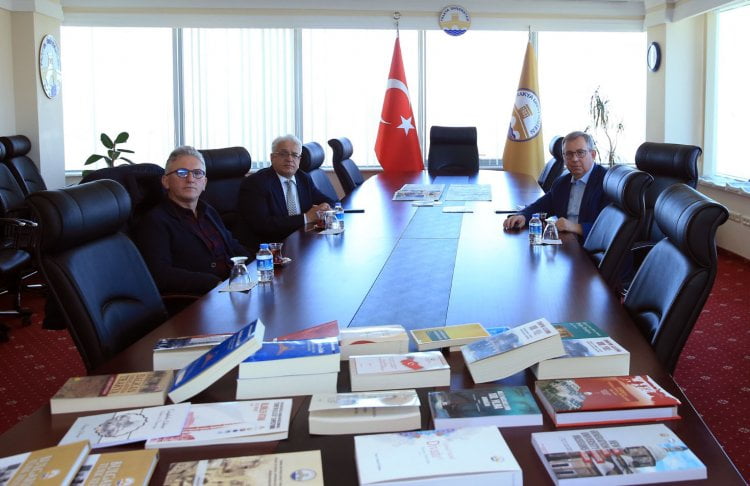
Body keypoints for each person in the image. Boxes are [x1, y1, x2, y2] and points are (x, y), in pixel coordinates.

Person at [134, 146, 248, 295]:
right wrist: (214, 284)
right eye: (182, 173)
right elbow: (160, 274)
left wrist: (259, 262)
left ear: (204, 183)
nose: (190, 179)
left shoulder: (208, 211)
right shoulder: (155, 222)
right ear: (165, 181)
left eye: (197, 173)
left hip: (234, 286)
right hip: (201, 298)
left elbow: (231, 245)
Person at [235, 134, 335, 248]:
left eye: (295, 155)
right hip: (271, 248)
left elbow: (329, 201)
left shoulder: (303, 178)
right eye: (283, 154)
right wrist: (307, 217)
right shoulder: (255, 183)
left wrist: (326, 208)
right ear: (272, 157)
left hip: (303, 241)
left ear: (299, 159)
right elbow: (263, 225)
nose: (289, 159)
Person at [503, 131, 608, 239]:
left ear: (593, 154)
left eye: (580, 153)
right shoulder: (562, 183)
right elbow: (541, 206)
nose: (574, 159)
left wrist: (575, 227)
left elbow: (609, 228)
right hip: (565, 240)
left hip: (589, 245)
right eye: (569, 154)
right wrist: (523, 216)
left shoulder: (607, 183)